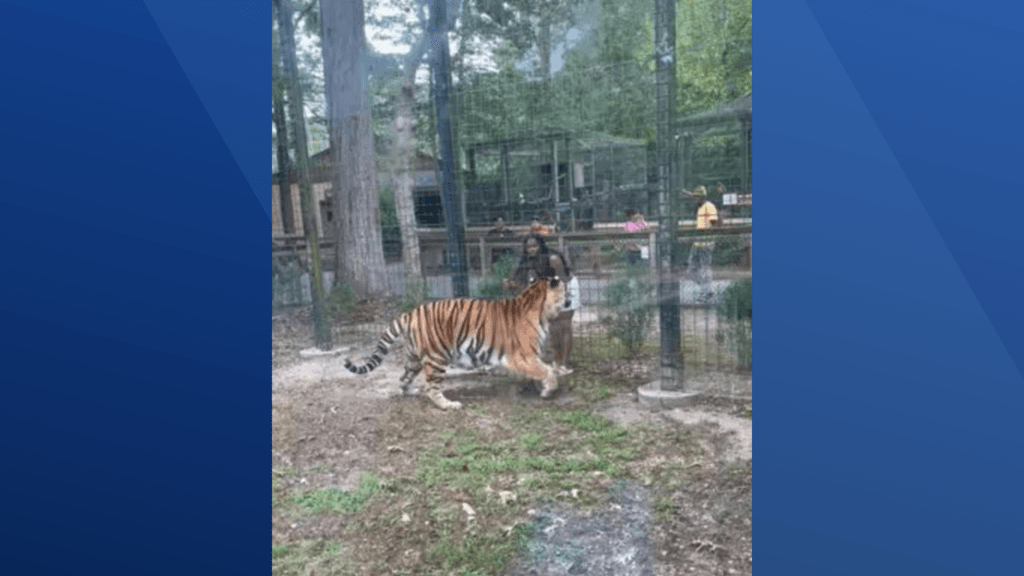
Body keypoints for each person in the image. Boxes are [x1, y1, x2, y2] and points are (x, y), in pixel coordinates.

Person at [503, 234, 578, 372]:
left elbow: (562, 280)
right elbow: (521, 285)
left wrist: (563, 299)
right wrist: (510, 283)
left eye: (534, 246)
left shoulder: (552, 258)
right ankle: (556, 361)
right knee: (553, 326)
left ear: (541, 246)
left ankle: (564, 364)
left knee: (564, 325)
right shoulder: (526, 261)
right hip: (548, 288)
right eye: (529, 247)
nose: (532, 249)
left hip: (565, 285)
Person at [686, 185, 719, 299]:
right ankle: (707, 290)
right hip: (697, 242)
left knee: (705, 267)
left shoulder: (709, 206)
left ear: (701, 197)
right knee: (691, 269)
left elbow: (714, 222)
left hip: (706, 242)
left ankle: (707, 292)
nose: (694, 200)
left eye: (696, 198)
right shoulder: (700, 207)